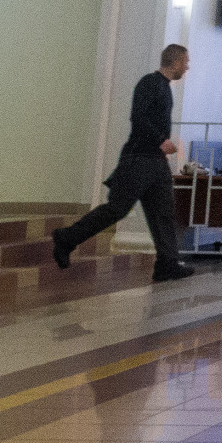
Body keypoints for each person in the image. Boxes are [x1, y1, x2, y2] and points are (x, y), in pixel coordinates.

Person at [53, 43, 195, 282]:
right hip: (138, 159)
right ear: (176, 62)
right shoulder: (149, 83)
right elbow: (137, 117)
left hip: (155, 162)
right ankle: (67, 238)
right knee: (117, 209)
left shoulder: (165, 87)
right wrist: (161, 140)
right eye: (185, 62)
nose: (187, 66)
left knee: (163, 212)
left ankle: (167, 263)